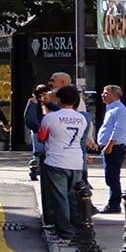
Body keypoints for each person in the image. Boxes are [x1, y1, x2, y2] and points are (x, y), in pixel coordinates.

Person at [37, 85, 89, 243]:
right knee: (74, 197)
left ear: (59, 99)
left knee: (60, 198)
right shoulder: (82, 119)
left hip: (56, 160)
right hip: (76, 161)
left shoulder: (50, 118)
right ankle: (77, 227)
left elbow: (41, 137)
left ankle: (66, 231)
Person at [96, 84, 126, 214]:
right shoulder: (110, 108)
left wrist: (109, 145)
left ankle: (114, 204)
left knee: (112, 177)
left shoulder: (119, 109)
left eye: (106, 93)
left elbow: (118, 129)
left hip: (114, 148)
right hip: (109, 147)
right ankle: (113, 202)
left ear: (115, 95)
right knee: (110, 177)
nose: (103, 95)